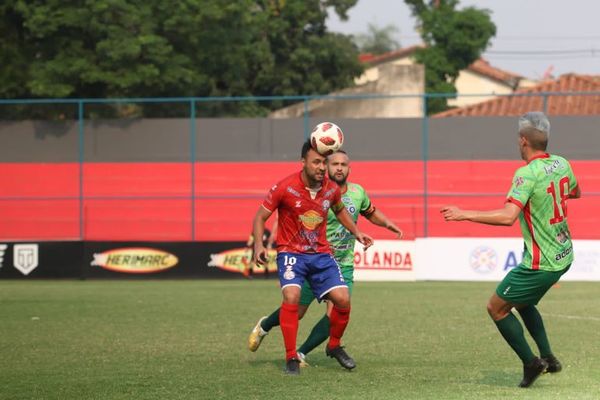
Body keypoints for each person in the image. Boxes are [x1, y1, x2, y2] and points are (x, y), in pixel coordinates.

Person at [441, 111, 580, 388]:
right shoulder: (562, 163)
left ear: (523, 141)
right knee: (524, 302)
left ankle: (532, 363)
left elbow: (507, 217)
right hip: (564, 254)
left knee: (496, 308)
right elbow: (574, 192)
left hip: (541, 263)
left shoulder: (526, 174)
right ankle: (549, 358)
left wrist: (464, 214)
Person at [248, 150, 403, 366]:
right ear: (325, 167)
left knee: (336, 310)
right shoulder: (319, 192)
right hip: (315, 258)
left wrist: (386, 224)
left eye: (344, 164)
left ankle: (303, 353)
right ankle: (265, 325)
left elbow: (369, 212)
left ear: (350, 168)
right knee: (297, 310)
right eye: (334, 164)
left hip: (343, 262)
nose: (339, 168)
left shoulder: (358, 192)